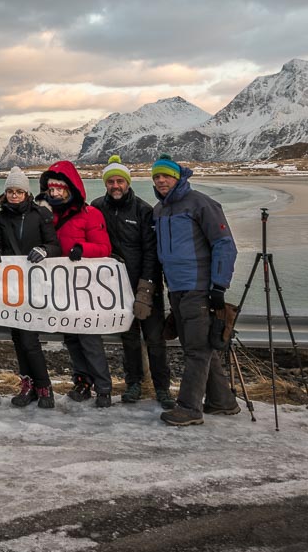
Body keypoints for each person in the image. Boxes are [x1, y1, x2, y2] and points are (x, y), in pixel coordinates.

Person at [151, 154, 240, 426]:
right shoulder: (160, 210)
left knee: (197, 351)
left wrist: (219, 286)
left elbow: (225, 244)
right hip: (175, 289)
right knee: (199, 346)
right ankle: (222, 402)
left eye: (165, 175)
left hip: (198, 288)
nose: (161, 180)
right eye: (156, 176)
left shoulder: (201, 203)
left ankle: (189, 408)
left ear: (178, 177)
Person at [91, 155, 174, 409]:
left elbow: (152, 252)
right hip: (115, 289)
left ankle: (162, 388)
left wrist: (146, 288)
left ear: (127, 183)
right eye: (111, 182)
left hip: (145, 285)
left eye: (120, 181)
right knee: (128, 339)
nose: (115, 186)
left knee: (155, 339)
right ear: (105, 184)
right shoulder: (96, 208)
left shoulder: (143, 210)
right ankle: (134, 384)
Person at [38, 160, 114, 407]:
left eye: (60, 188)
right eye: (52, 189)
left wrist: (82, 249)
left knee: (89, 339)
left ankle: (103, 388)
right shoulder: (46, 216)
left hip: (85, 289)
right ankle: (82, 381)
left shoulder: (91, 214)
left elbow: (104, 247)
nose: (56, 193)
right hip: (59, 287)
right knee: (71, 338)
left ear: (71, 188)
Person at [0, 167, 62, 409]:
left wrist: (44, 251)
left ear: (26, 193)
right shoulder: (0, 217)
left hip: (35, 285)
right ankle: (28, 385)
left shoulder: (40, 215)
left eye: (19, 191)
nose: (14, 195)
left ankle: (44, 386)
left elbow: (54, 245)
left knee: (30, 339)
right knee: (18, 338)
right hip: (9, 286)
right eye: (10, 191)